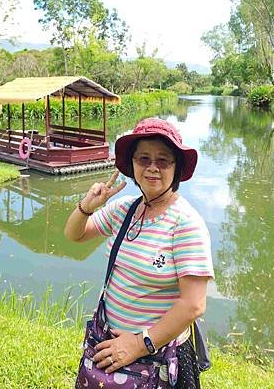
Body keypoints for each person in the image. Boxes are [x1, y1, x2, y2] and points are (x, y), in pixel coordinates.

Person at [64, 117, 214, 389]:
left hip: (158, 355)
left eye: (163, 160)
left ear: (176, 167)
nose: (152, 168)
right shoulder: (125, 210)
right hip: (109, 343)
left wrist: (139, 343)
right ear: (132, 165)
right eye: (143, 159)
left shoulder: (186, 224)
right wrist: (87, 205)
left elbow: (193, 304)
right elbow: (75, 234)